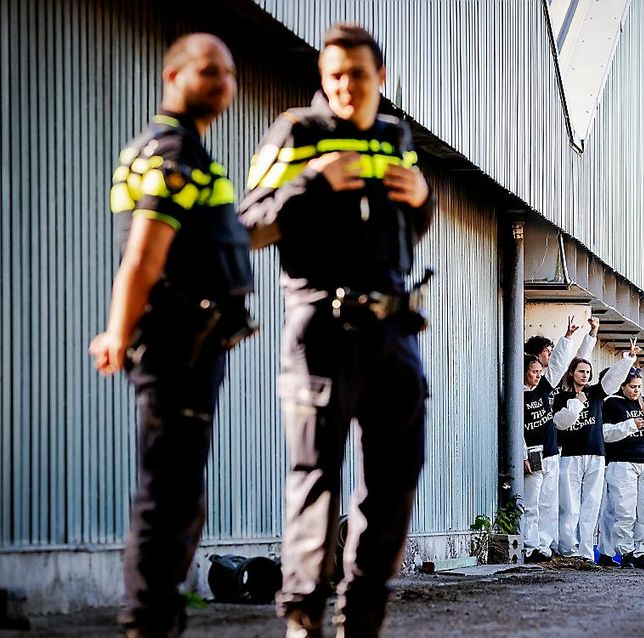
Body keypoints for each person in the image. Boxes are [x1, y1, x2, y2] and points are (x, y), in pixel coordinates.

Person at [238, 22, 433, 638]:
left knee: (394, 484)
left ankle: (363, 617)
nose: (346, 84)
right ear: (324, 79)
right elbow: (247, 225)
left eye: (358, 73)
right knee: (315, 479)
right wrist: (313, 183)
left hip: (394, 333)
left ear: (380, 77)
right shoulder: (297, 132)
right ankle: (303, 618)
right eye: (335, 74)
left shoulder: (397, 137)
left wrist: (424, 197)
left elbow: (406, 230)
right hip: (321, 327)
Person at [89, 33, 255, 636]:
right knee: (168, 496)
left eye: (229, 74)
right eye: (209, 71)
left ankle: (159, 617)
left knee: (180, 492)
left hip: (192, 347)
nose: (222, 84)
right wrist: (117, 330)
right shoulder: (173, 153)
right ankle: (148, 621)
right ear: (173, 77)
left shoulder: (173, 151)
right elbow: (143, 257)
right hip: (177, 346)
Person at [552, 339, 639, 562]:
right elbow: (561, 423)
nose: (585, 375)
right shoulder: (562, 397)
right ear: (572, 373)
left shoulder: (596, 393)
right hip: (571, 455)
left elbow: (612, 380)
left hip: (596, 454)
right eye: (581, 371)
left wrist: (628, 359)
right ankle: (568, 549)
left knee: (591, 505)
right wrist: (576, 402)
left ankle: (586, 552)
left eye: (588, 372)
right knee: (569, 505)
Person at [521, 317, 598, 562]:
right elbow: (516, 428)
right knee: (531, 501)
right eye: (533, 371)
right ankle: (530, 545)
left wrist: (569, 337)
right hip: (533, 450)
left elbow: (562, 364)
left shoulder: (545, 386)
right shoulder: (517, 395)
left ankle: (544, 544)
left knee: (549, 502)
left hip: (553, 450)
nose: (537, 375)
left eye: (538, 372)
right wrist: (522, 453)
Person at [600, 367, 644, 569]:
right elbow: (606, 433)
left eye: (639, 386)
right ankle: (625, 552)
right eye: (632, 387)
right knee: (625, 511)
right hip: (622, 461)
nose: (636, 391)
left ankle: (642, 553)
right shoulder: (612, 403)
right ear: (622, 386)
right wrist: (631, 425)